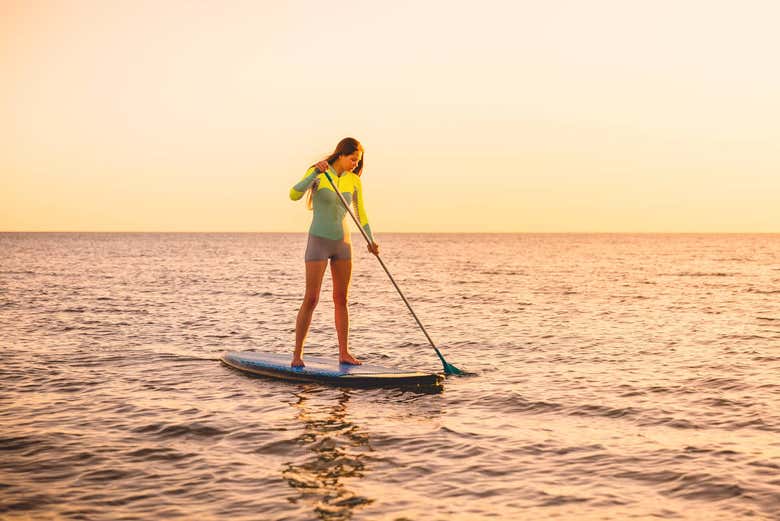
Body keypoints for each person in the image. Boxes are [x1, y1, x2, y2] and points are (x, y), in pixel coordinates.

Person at [289, 137, 380, 368]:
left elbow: (362, 214)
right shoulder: (319, 172)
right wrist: (313, 175)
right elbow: (294, 194)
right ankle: (297, 354)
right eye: (352, 159)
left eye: (358, 161)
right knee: (311, 298)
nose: (355, 164)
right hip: (318, 241)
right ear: (341, 154)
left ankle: (344, 353)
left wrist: (371, 240)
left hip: (343, 244)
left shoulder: (354, 181)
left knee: (341, 299)